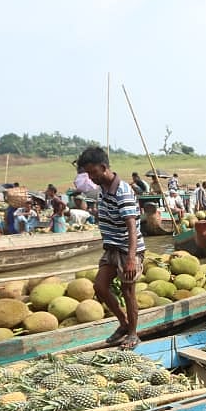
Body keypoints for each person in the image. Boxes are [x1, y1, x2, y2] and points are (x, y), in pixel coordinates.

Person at [76, 146, 145, 350]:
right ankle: (123, 323)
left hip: (127, 249)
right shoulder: (104, 190)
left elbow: (132, 227)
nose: (91, 177)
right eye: (88, 173)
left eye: (93, 173)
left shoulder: (122, 190)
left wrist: (132, 258)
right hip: (112, 248)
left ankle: (133, 334)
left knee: (128, 290)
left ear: (104, 167)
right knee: (99, 286)